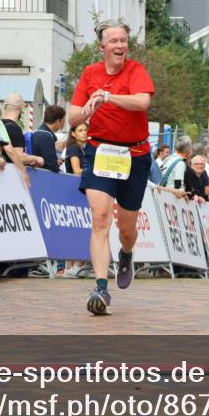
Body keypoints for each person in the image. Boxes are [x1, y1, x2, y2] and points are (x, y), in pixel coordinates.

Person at [69, 20, 155, 315]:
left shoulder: (136, 71)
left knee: (127, 229)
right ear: (101, 47)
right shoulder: (90, 74)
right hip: (100, 151)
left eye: (123, 41)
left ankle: (127, 253)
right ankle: (101, 289)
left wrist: (108, 97)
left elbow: (142, 102)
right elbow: (72, 119)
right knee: (100, 218)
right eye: (114, 41)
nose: (120, 46)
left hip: (135, 154)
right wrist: (86, 109)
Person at [2, 92, 44, 167]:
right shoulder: (14, 128)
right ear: (19, 109)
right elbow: (19, 157)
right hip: (11, 174)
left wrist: (29, 161)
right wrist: (37, 158)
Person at [33, 105, 66, 173]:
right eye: (63, 120)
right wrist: (55, 165)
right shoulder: (46, 136)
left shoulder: (37, 131)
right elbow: (51, 166)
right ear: (58, 121)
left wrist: (55, 162)